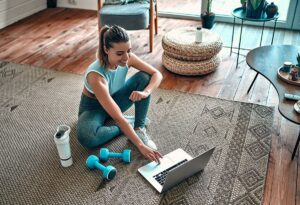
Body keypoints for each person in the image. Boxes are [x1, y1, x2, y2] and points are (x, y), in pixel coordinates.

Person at [77, 25, 162, 163]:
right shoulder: (96, 76)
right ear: (106, 50)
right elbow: (118, 117)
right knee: (87, 137)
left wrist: (146, 92)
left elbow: (156, 74)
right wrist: (140, 146)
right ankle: (127, 125)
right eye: (119, 53)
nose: (126, 57)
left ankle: (139, 127)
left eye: (129, 51)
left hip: (115, 98)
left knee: (144, 78)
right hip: (93, 108)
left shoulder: (128, 58)